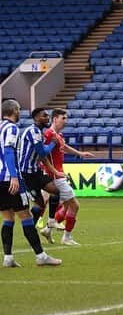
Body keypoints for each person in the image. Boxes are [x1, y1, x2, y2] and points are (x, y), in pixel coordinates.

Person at [0, 99, 61, 267]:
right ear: (13, 110)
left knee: (8, 218)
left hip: (0, 179)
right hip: (10, 179)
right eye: (19, 109)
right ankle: (41, 256)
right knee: (25, 216)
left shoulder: (0, 127)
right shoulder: (12, 128)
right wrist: (13, 176)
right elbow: (8, 151)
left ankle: (8, 258)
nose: (20, 112)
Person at [40, 109, 95, 246]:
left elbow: (64, 147)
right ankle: (66, 237)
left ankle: (48, 229)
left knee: (66, 207)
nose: (66, 121)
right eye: (63, 118)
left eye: (66, 118)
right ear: (55, 119)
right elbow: (42, 154)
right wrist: (52, 171)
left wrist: (80, 153)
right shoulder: (48, 134)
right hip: (55, 176)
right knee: (74, 205)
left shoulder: (58, 135)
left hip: (58, 174)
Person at [17, 108, 63, 244]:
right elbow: (42, 153)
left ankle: (52, 221)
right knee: (39, 203)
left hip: (35, 171)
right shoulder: (33, 131)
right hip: (26, 174)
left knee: (55, 191)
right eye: (45, 116)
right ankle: (30, 230)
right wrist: (54, 142)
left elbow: (41, 156)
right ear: (36, 117)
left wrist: (54, 171)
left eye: (48, 115)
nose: (47, 118)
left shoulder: (38, 132)